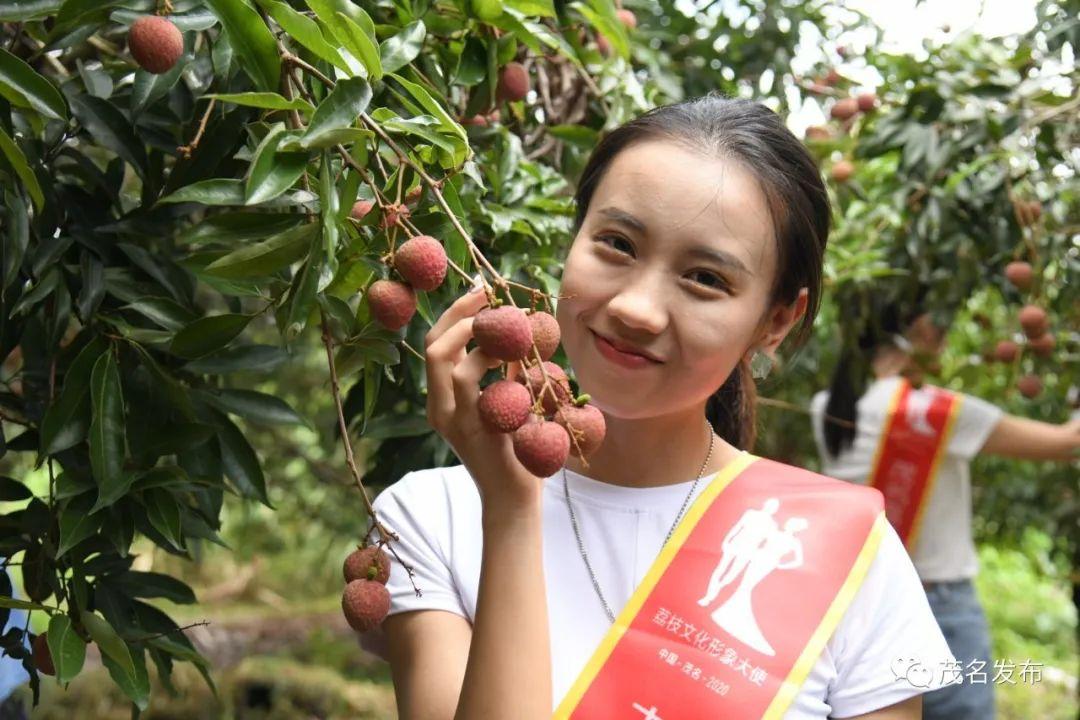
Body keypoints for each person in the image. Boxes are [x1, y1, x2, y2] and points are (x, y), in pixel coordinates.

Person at [359, 95, 960, 719]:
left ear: (776, 322)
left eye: (705, 278)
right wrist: (510, 511)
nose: (635, 309)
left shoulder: (845, 549)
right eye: (616, 243)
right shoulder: (429, 518)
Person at [810, 300, 1080, 720]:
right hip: (941, 605)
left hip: (852, 606)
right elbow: (1068, 442)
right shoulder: (942, 413)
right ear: (920, 330)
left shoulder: (827, 405)